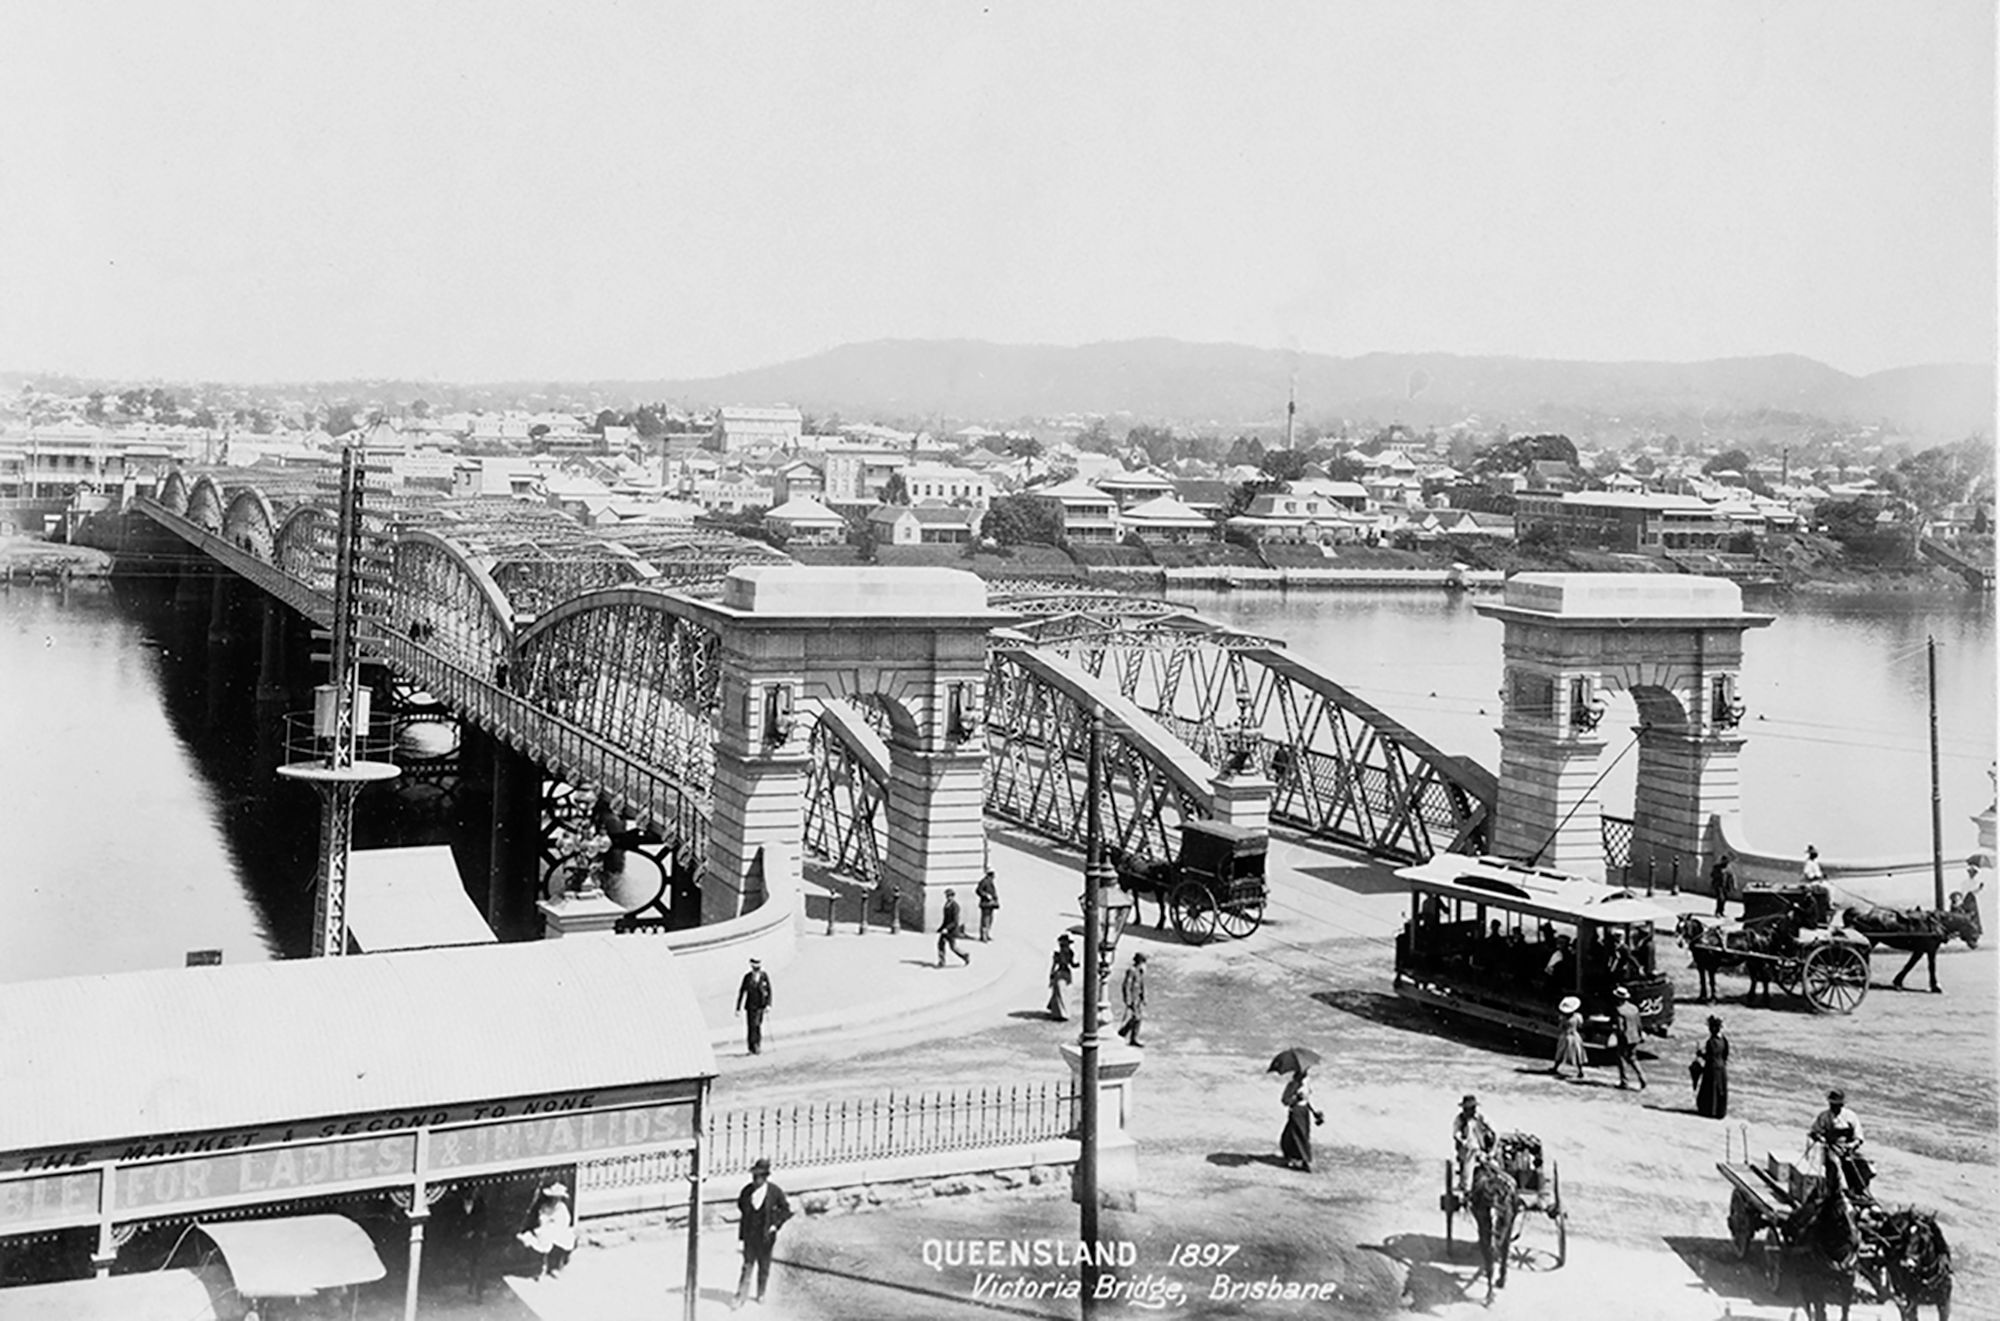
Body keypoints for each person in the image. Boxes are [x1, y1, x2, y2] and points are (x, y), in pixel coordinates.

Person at [733, 1158, 792, 1310]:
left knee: (764, 1266)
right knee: (747, 1265)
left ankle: (761, 1293)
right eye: (753, 1177)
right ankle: (741, 1296)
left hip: (766, 1237)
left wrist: (775, 1225)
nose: (755, 1180)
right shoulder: (747, 1192)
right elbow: (742, 1208)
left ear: (765, 1178)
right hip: (750, 1235)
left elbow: (786, 1210)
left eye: (758, 1177)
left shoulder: (774, 1192)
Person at [1808, 1088, 1873, 1201]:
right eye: (1832, 1104)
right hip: (1831, 1147)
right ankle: (1835, 1191)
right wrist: (1820, 1138)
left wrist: (1852, 1145)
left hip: (1849, 1148)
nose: (1834, 1107)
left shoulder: (1850, 1116)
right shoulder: (1824, 1116)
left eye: (1837, 1105)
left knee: (1864, 1165)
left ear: (1842, 1105)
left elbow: (1859, 1136)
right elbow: (1814, 1131)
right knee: (1834, 1163)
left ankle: (1859, 1190)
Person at [517, 1181, 576, 1279]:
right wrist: (547, 1222)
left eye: (557, 1198)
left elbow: (563, 1222)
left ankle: (555, 1266)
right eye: (553, 1198)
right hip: (545, 1230)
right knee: (541, 1239)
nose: (555, 1200)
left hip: (558, 1230)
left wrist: (553, 1224)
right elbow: (541, 1219)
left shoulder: (562, 1208)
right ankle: (540, 1267)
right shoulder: (545, 1207)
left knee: (566, 1239)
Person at [1279, 1068, 1323, 1172]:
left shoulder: (1305, 1083)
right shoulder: (1294, 1084)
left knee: (1296, 1136)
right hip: (1297, 1112)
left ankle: (1302, 1159)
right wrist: (1296, 1099)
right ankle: (1301, 1159)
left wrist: (1314, 1112)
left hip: (1303, 1112)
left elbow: (1306, 1101)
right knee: (1295, 1136)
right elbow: (1286, 1100)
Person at [1453, 1094, 1496, 1193]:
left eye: (1472, 1108)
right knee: (1470, 1155)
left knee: (1495, 1164)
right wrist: (1464, 1142)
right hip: (1467, 1149)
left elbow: (1493, 1132)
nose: (1470, 1111)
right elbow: (1457, 1134)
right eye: (1467, 1108)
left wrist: (1491, 1150)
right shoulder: (1460, 1119)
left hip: (1483, 1149)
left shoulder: (1481, 1118)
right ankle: (1467, 1186)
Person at [1691, 1015, 1730, 1118]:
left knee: (1710, 1090)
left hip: (1712, 1068)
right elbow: (1725, 1054)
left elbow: (1709, 1056)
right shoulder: (1724, 1040)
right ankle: (1719, 1111)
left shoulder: (1711, 1042)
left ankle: (1709, 1110)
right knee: (1719, 1090)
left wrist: (1700, 1054)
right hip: (1721, 1068)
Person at [735, 957, 773, 1055]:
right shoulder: (747, 977)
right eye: (755, 966)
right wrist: (738, 1008)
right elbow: (742, 992)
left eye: (758, 966)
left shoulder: (764, 976)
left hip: (761, 1005)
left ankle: (757, 1045)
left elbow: (769, 990)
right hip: (750, 1006)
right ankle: (751, 1048)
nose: (757, 969)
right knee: (751, 1027)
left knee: (758, 1026)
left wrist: (768, 1004)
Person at [1612, 986, 1647, 1091]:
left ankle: (1624, 1081)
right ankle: (1642, 1077)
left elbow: (1620, 1027)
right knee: (1633, 1058)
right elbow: (1639, 1024)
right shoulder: (1634, 1008)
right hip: (1635, 1036)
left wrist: (1615, 1031)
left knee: (1621, 1058)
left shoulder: (1619, 1010)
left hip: (1624, 1038)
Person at [1551, 994, 1586, 1080]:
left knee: (1560, 1052)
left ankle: (1555, 1067)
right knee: (1578, 1053)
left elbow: (1560, 1027)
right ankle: (1580, 1071)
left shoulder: (1563, 1018)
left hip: (1566, 1035)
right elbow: (1581, 1025)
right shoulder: (1578, 1016)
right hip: (1574, 1035)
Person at [1117, 952, 1148, 1046]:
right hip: (1133, 999)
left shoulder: (1140, 971)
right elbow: (1126, 985)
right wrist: (1128, 999)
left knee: (1138, 1018)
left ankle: (1128, 1036)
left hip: (1138, 998)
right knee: (1136, 1018)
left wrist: (1144, 997)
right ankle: (1125, 1035)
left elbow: (1142, 985)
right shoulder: (1131, 971)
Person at [936, 889, 972, 967]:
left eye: (950, 896)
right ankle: (941, 962)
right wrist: (941, 928)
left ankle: (965, 955)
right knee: (940, 944)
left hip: (952, 931)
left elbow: (955, 921)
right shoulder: (946, 905)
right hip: (946, 930)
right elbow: (945, 920)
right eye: (947, 896)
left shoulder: (955, 906)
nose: (948, 897)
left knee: (953, 947)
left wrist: (947, 929)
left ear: (953, 896)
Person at [1046, 932, 1077, 1021]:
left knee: (1066, 993)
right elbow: (1054, 965)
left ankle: (1064, 1012)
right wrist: (1051, 976)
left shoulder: (1070, 953)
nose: (1065, 947)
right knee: (1060, 992)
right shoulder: (1058, 954)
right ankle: (1059, 1013)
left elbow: (1072, 963)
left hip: (1066, 973)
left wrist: (1076, 964)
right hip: (1060, 973)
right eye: (1063, 945)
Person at [975, 869, 999, 942]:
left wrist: (995, 899)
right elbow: (978, 890)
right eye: (992, 876)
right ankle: (983, 936)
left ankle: (987, 934)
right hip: (985, 903)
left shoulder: (990, 882)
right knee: (985, 920)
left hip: (990, 904)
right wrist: (986, 895)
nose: (993, 877)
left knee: (990, 919)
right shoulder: (984, 881)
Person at [1710, 853, 1736, 917]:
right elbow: (1712, 875)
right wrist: (1719, 873)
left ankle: (1721, 911)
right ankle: (1717, 911)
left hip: (1726, 885)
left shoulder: (1729, 868)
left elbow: (1732, 876)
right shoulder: (1716, 867)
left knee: (1725, 899)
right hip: (1718, 885)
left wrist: (1734, 885)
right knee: (1721, 898)